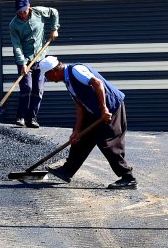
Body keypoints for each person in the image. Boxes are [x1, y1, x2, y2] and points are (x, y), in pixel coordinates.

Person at [41, 56, 137, 190]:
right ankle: (67, 171)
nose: (48, 79)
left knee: (107, 142)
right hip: (93, 111)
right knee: (79, 139)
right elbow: (80, 106)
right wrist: (77, 130)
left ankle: (128, 178)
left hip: (111, 108)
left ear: (53, 71)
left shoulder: (76, 70)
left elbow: (97, 83)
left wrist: (104, 109)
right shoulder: (68, 81)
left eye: (47, 76)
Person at [9, 0, 59, 128]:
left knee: (38, 89)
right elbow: (17, 46)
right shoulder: (14, 24)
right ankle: (20, 117)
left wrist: (54, 28)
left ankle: (32, 118)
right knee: (27, 87)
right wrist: (23, 63)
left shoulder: (38, 12)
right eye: (19, 11)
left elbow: (54, 12)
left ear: (29, 6)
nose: (22, 14)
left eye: (24, 11)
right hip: (24, 59)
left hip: (41, 58)